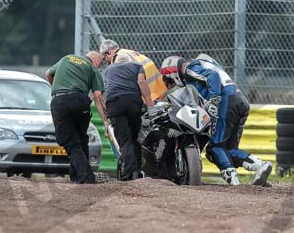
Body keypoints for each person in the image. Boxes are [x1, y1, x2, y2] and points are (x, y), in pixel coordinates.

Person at [160, 54, 272, 186]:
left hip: (226, 102)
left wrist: (214, 100)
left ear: (173, 73)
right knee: (229, 149)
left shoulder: (190, 68)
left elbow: (213, 76)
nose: (171, 84)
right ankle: (260, 166)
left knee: (214, 147)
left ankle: (233, 182)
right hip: (240, 100)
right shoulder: (204, 63)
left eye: (169, 79)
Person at [46, 51, 109, 184]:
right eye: (99, 63)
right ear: (96, 61)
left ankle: (85, 177)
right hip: (80, 102)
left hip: (59, 101)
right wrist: (105, 121)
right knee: (81, 138)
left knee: (71, 142)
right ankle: (79, 176)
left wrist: (58, 88)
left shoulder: (66, 58)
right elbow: (98, 96)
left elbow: (48, 73)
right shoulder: (93, 69)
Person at [103, 53, 154, 180]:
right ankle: (137, 169)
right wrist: (150, 106)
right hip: (133, 102)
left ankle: (130, 173)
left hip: (114, 104)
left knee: (124, 140)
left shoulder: (108, 69)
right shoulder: (137, 66)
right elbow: (141, 82)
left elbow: (106, 89)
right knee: (135, 137)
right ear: (129, 60)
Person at [99, 40, 168, 101]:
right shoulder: (129, 52)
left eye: (104, 58)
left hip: (148, 95)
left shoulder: (119, 58)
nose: (106, 62)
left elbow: (124, 82)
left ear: (109, 52)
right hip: (159, 90)